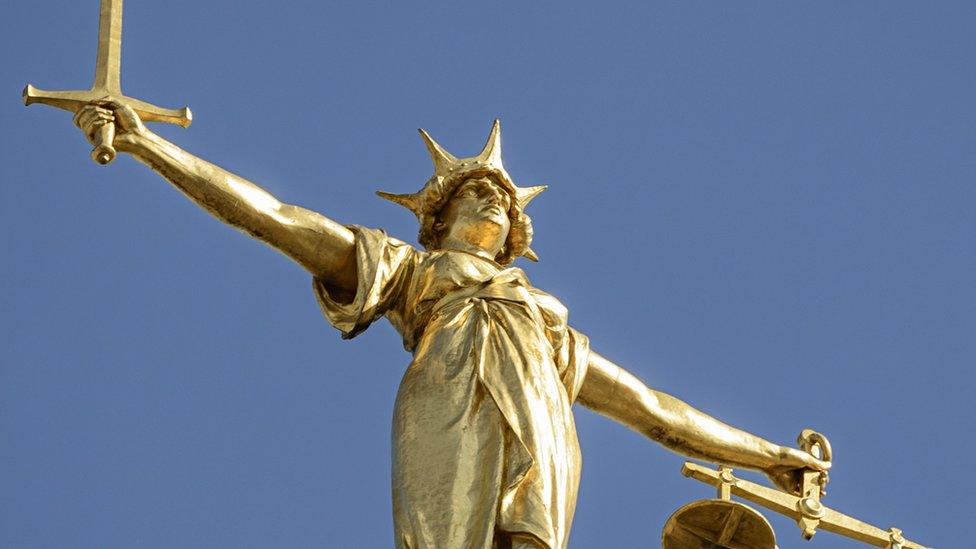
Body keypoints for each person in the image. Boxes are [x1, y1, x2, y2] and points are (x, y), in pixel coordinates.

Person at [74, 101, 829, 549]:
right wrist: (148, 143)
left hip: (541, 442)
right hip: (449, 413)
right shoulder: (413, 274)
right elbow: (275, 217)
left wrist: (767, 457)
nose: (494, 205)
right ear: (439, 220)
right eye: (475, 197)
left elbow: (653, 409)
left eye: (503, 204)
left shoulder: (547, 325)